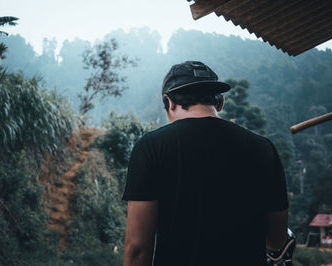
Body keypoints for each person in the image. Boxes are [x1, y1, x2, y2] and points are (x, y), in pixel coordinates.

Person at [122, 61, 289, 266]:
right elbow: (276, 240)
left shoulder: (151, 147)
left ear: (169, 101)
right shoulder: (263, 148)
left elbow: (138, 248)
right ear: (220, 103)